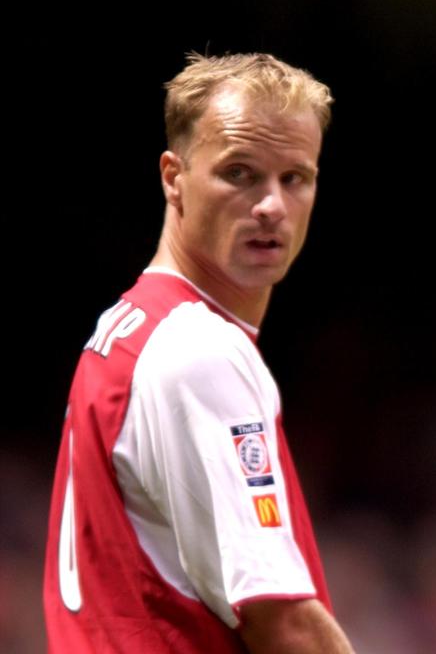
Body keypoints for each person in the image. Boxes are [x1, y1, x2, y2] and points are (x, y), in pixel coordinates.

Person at [43, 53, 354, 653]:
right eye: (239, 173)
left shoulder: (133, 325)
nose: (271, 205)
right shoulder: (196, 349)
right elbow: (281, 620)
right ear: (172, 176)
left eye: (295, 178)